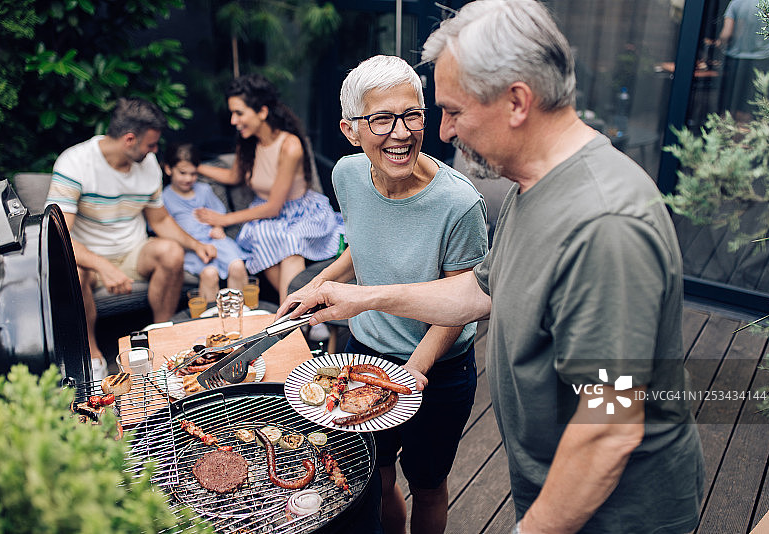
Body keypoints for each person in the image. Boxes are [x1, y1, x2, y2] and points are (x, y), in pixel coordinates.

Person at [283, 2, 705, 533]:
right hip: (560, 493)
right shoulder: (534, 189)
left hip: (614, 516)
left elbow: (611, 425)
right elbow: (477, 293)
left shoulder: (605, 223)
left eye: (453, 111)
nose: (445, 131)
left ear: (516, 102)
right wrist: (360, 297)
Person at [281, 55, 488, 534]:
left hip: (439, 368)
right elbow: (362, 242)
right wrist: (317, 283)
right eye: (381, 119)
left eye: (412, 114)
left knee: (429, 482)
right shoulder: (348, 175)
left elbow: (462, 301)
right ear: (351, 131)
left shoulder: (460, 204)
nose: (402, 132)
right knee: (374, 472)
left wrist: (414, 373)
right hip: (363, 357)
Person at [48, 98, 217, 380]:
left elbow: (160, 220)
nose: (155, 151)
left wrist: (195, 244)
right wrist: (103, 265)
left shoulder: (148, 165)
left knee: (172, 253)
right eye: (151, 144)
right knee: (74, 274)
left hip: (132, 252)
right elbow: (59, 237)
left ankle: (161, 336)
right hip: (89, 258)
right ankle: (92, 353)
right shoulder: (75, 163)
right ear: (129, 139)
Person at [195, 74, 344, 302]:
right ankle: (301, 315)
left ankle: (294, 317)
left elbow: (275, 206)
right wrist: (195, 168)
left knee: (290, 244)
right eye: (232, 113)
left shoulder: (290, 145)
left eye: (239, 113)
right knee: (263, 237)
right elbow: (234, 175)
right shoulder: (247, 141)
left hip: (299, 212)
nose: (233, 121)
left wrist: (224, 219)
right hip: (265, 215)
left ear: (262, 112)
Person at [162, 143, 249, 302]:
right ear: (168, 169)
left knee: (237, 266)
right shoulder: (164, 198)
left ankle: (241, 313)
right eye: (182, 173)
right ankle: (213, 320)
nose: (188, 179)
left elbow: (218, 213)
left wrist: (217, 226)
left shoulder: (204, 190)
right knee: (210, 274)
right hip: (191, 248)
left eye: (193, 174)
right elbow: (161, 227)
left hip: (215, 241)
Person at [717, 0, 769, 122]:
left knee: (729, 110)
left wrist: (719, 43)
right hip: (764, 61)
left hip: (736, 61)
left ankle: (726, 139)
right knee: (755, 111)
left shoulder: (736, 3)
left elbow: (726, 34)